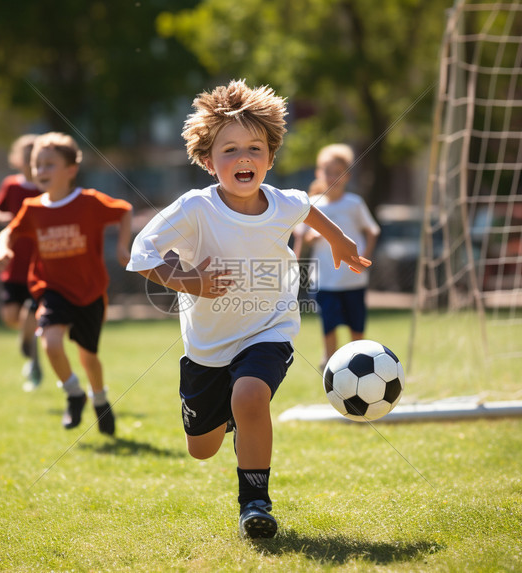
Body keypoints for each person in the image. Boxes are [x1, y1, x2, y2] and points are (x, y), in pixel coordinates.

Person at [127, 80, 371, 539]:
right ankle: (235, 421)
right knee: (202, 449)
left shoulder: (283, 202)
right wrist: (192, 282)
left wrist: (340, 240)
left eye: (255, 148)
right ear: (207, 161)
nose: (244, 158)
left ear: (271, 157)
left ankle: (255, 503)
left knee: (251, 396)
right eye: (230, 150)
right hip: (206, 348)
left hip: (269, 328)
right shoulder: (195, 209)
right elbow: (142, 254)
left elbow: (306, 208)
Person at [0, 132, 133, 435]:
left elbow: (124, 210)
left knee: (89, 356)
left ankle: (100, 400)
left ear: (71, 170)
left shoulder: (89, 202)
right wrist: (3, 249)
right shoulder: (32, 208)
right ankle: (73, 393)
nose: (41, 170)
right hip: (52, 290)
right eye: (37, 164)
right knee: (51, 342)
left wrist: (123, 247)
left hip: (89, 291)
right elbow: (8, 232)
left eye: (49, 164)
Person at [294, 144, 380, 370]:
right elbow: (301, 236)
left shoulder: (354, 203)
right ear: (318, 173)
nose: (333, 177)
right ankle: (330, 363)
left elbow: (372, 230)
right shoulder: (312, 204)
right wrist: (311, 237)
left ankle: (359, 363)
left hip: (353, 279)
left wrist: (364, 259)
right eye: (328, 172)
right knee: (329, 324)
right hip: (325, 280)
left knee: (356, 327)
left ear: (347, 176)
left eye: (338, 173)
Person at [0, 134, 44, 391]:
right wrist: (2, 217)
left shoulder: (47, 187)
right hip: (13, 265)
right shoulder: (11, 185)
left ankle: (32, 354)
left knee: (31, 310)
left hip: (40, 265)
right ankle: (30, 340)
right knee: (10, 316)